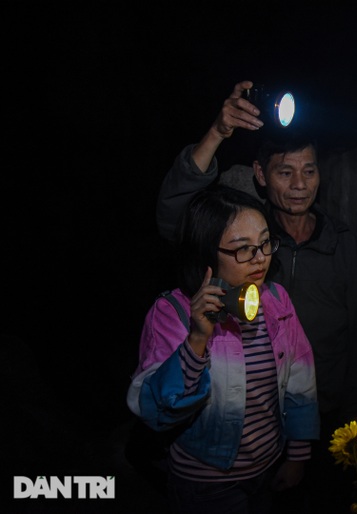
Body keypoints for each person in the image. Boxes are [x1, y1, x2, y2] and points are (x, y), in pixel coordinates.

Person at [156, 80, 357, 512]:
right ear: (261, 175)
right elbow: (175, 220)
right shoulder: (247, 240)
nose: (300, 185)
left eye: (310, 171)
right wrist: (217, 135)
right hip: (247, 431)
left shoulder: (342, 242)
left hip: (324, 422)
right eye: (285, 172)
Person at [127, 185, 319, 513]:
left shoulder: (275, 300)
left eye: (264, 243)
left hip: (269, 466)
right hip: (207, 482)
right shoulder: (171, 313)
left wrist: (297, 455)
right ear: (206, 255)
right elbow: (154, 410)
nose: (260, 258)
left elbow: (301, 378)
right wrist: (198, 336)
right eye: (242, 249)